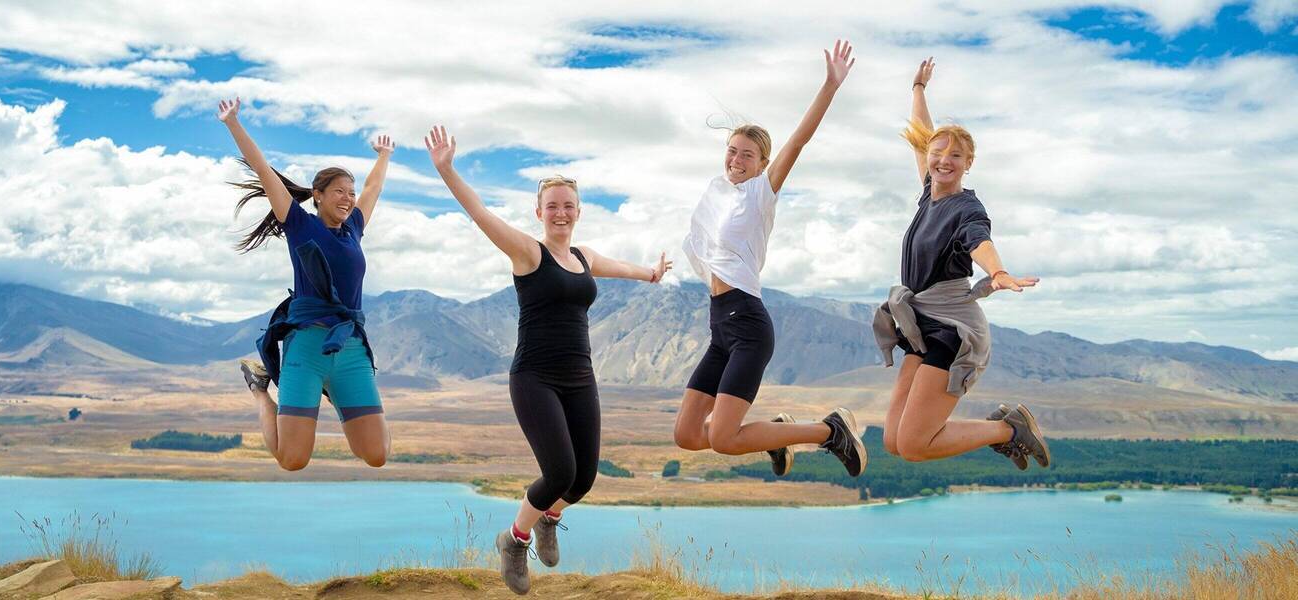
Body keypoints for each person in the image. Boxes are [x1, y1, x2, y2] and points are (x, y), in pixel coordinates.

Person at [424, 125, 671, 595]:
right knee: (559, 472)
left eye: (568, 205)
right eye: (552, 205)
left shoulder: (583, 256)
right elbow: (480, 214)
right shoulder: (527, 252)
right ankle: (514, 540)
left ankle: (548, 517)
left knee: (583, 480)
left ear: (579, 211)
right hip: (535, 378)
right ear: (539, 212)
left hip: (580, 377)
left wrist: (651, 273)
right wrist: (447, 170)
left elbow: (620, 268)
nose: (560, 212)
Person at [673, 40, 867, 481]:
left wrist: (830, 86)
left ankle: (829, 430)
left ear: (762, 164)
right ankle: (776, 434)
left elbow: (799, 140)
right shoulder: (716, 193)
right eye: (732, 150)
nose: (737, 159)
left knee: (724, 438)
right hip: (720, 327)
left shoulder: (760, 194)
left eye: (748, 154)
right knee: (687, 434)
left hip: (747, 326)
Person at [871, 58, 1050, 470]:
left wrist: (997, 272)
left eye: (956, 155)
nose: (944, 160)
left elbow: (979, 240)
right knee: (895, 441)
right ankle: (1007, 427)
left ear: (969, 163)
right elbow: (921, 136)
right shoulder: (928, 192)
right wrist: (918, 88)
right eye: (938, 153)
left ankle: (1009, 430)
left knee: (914, 445)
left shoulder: (967, 208)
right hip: (920, 325)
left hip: (952, 329)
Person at [218, 97, 393, 471]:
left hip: (349, 347)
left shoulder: (353, 230)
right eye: (339, 191)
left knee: (376, 454)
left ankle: (333, 388)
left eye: (350, 192)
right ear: (318, 195)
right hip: (308, 348)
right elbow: (263, 170)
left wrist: (384, 155)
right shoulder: (299, 225)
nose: (348, 198)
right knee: (292, 460)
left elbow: (373, 189)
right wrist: (233, 123)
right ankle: (260, 390)